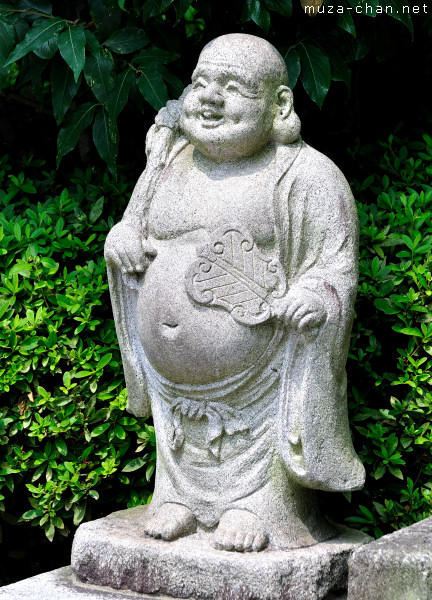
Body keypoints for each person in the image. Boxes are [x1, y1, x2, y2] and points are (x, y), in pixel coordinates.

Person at [104, 33, 365, 553]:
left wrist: (315, 297)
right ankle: (177, 496)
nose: (209, 97)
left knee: (260, 447)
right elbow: (131, 228)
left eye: (232, 86)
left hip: (265, 373)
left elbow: (335, 266)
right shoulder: (167, 161)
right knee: (181, 443)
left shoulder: (306, 177)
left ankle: (260, 507)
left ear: (279, 103)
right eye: (200, 83)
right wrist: (122, 240)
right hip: (173, 378)